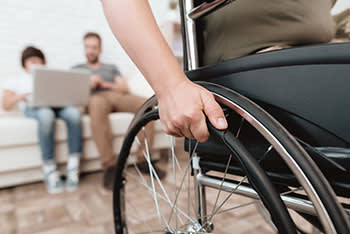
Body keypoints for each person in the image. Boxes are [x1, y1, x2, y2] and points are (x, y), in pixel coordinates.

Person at [72, 32, 164, 190]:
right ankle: (109, 166)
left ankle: (144, 160)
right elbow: (73, 93)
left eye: (94, 47)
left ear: (99, 49)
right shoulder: (77, 69)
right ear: (84, 48)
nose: (91, 50)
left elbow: (124, 88)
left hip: (115, 95)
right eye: (88, 47)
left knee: (146, 104)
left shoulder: (111, 68)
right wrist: (89, 83)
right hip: (94, 98)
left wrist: (104, 84)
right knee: (96, 105)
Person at [2, 46, 83, 194]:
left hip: (55, 104)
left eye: (38, 61)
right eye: (31, 61)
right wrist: (21, 96)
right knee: (46, 115)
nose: (35, 64)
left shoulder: (51, 76)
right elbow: (5, 104)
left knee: (74, 114)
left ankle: (73, 165)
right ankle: (49, 168)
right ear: (24, 64)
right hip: (34, 107)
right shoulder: (17, 80)